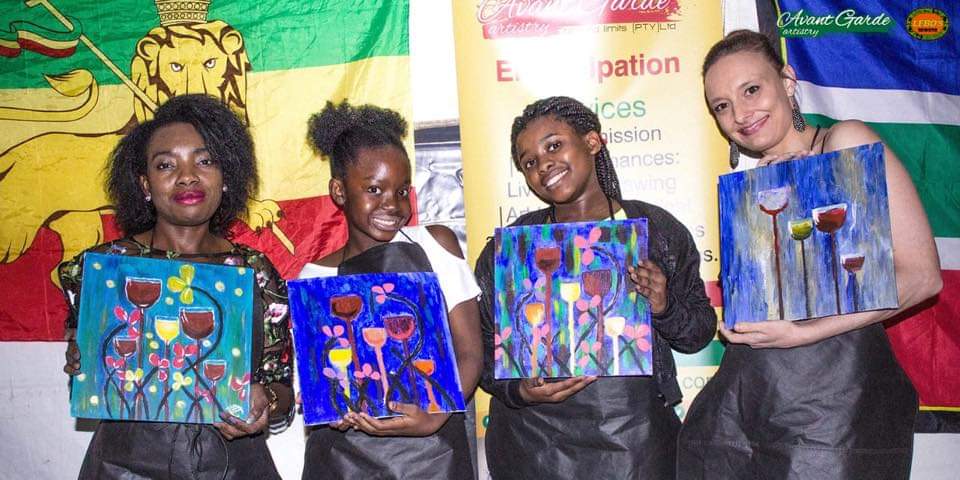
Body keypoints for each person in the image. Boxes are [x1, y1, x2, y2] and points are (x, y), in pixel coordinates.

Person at [677, 30, 943, 479]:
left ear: (787, 80)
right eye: (722, 105)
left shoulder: (844, 142)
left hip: (835, 407)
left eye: (751, 89)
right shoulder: (752, 189)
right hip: (749, 405)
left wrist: (802, 332)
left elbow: (922, 277)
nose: (740, 114)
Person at [474, 96, 716, 479]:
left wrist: (664, 305)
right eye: (529, 162)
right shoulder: (514, 247)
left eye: (554, 145)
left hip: (633, 443)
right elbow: (480, 350)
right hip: (533, 445)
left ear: (592, 142)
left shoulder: (656, 231)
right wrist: (518, 390)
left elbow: (699, 333)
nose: (543, 165)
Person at [60, 94, 293, 479]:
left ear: (226, 177)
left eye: (205, 161)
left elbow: (281, 389)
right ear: (145, 184)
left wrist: (264, 401)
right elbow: (88, 377)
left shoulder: (256, 273)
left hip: (234, 467)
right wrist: (80, 361)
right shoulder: (102, 271)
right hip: (123, 467)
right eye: (166, 164)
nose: (187, 176)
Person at [298, 100, 483, 479]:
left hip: (434, 455)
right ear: (339, 190)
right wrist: (331, 405)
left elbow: (470, 353)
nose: (393, 205)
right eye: (374, 189)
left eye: (401, 191)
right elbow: (321, 381)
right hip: (346, 460)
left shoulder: (436, 245)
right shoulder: (313, 278)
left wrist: (435, 415)